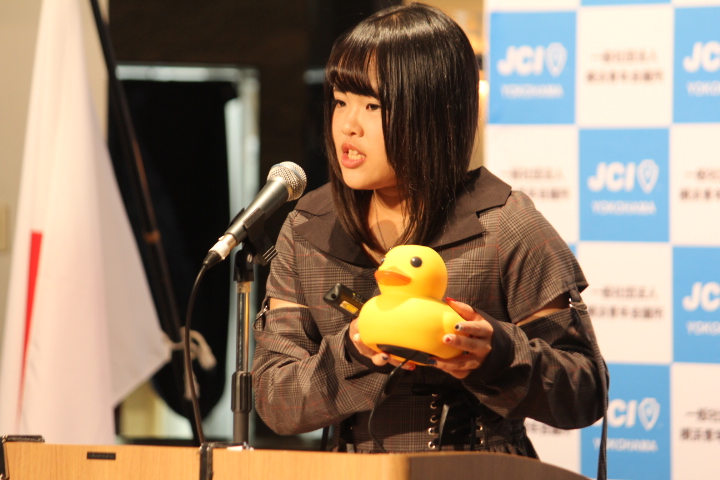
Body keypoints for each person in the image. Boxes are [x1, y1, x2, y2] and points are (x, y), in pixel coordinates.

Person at [251, 2, 608, 457]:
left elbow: (584, 392)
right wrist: (354, 350)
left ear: (433, 113)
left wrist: (497, 354)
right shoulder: (308, 228)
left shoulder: (503, 224)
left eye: (372, 106)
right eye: (340, 101)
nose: (348, 126)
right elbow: (275, 400)